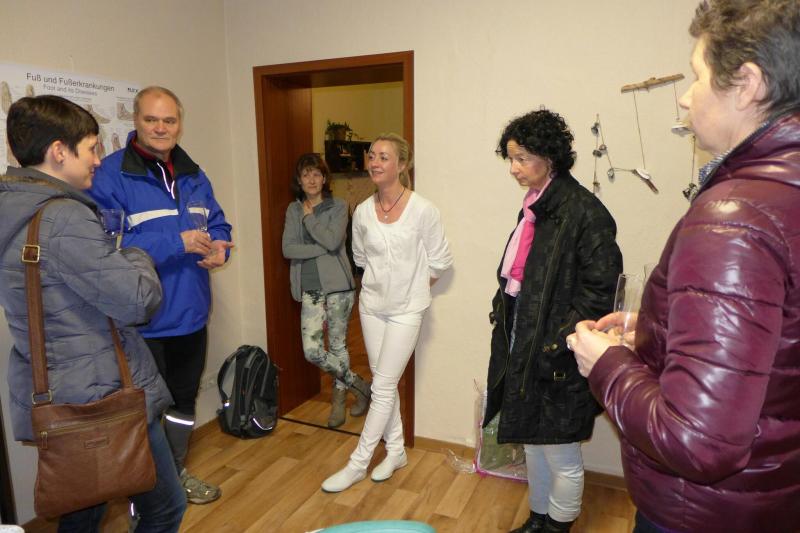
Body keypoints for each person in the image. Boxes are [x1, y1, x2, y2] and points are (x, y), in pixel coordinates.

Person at [568, 1, 800, 531]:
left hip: (699, 513)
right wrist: (658, 331)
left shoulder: (735, 219)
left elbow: (700, 441)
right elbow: (774, 345)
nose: (684, 95)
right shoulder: (784, 194)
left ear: (747, 84)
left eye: (696, 76)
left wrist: (606, 364)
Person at [0, 95, 185, 530]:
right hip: (100, 393)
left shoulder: (14, 209)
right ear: (59, 151)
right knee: (165, 506)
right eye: (91, 148)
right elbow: (136, 301)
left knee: (85, 511)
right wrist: (136, 255)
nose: (98, 160)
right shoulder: (64, 218)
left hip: (57, 389)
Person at [89, 86, 233, 505]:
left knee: (183, 401)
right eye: (151, 119)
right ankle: (147, 495)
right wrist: (177, 242)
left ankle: (175, 475)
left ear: (179, 124)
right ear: (135, 120)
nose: (160, 128)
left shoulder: (193, 173)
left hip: (191, 314)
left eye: (169, 120)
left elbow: (217, 222)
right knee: (145, 412)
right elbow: (105, 245)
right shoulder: (110, 175)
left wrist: (221, 246)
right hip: (142, 321)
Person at [485, 109, 622, 533]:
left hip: (560, 350)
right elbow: (521, 280)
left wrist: (559, 342)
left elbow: (600, 291)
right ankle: (537, 521)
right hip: (525, 341)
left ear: (550, 157)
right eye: (510, 158)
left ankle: (557, 527)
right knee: (533, 442)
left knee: (561, 452)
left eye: (522, 158)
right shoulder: (536, 207)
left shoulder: (584, 212)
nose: (513, 168)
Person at [321, 133, 453, 492]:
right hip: (372, 308)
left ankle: (357, 463)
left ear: (402, 164)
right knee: (384, 381)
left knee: (381, 385)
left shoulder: (423, 210)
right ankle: (396, 450)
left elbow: (440, 261)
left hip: (406, 310)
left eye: (383, 156)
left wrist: (411, 288)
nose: (374, 162)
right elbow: (361, 258)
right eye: (371, 156)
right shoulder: (364, 211)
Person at [282, 153, 371, 428]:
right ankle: (359, 386)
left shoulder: (338, 206)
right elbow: (288, 248)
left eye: (316, 174)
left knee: (337, 345)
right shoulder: (293, 209)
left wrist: (310, 221)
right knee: (312, 350)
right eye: (305, 174)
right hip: (310, 288)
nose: (311, 179)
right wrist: (322, 247)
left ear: (324, 179)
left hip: (338, 288)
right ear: (299, 180)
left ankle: (338, 402)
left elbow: (334, 241)